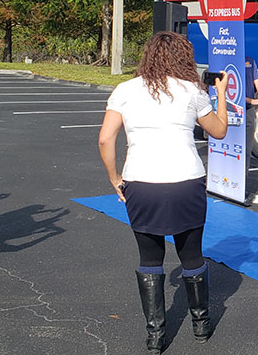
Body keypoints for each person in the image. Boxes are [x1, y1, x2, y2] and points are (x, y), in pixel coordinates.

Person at [98, 32, 229, 353]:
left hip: (141, 182)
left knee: (150, 259)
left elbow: (105, 139)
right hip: (187, 181)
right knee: (192, 255)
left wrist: (115, 178)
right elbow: (220, 131)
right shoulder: (193, 91)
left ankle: (155, 335)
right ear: (183, 57)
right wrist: (220, 94)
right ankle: (201, 326)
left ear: (148, 55)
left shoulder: (124, 90)